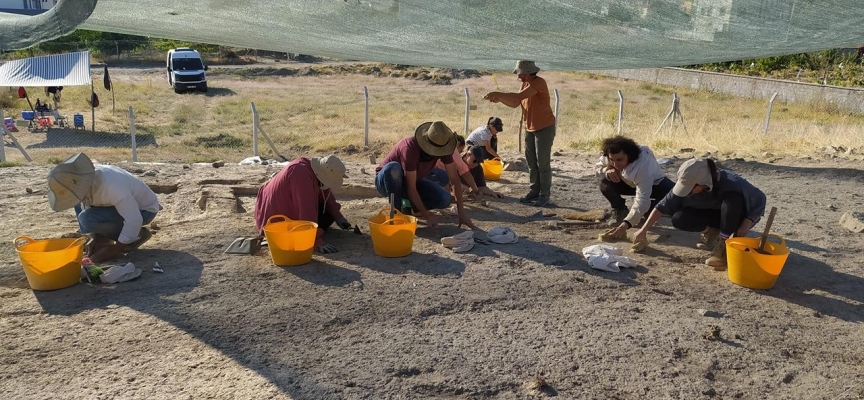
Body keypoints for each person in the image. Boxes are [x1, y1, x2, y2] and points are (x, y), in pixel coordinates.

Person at [633, 158, 767, 269]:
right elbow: (662, 206)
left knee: (732, 200)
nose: (687, 192)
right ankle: (711, 233)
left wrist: (747, 222)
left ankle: (723, 247)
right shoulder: (689, 179)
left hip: (736, 217)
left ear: (703, 183)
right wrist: (643, 230)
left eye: (691, 189)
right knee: (680, 218)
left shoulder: (732, 182)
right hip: (715, 216)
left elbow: (760, 199)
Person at [47, 153, 160, 263]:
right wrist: (94, 238)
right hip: (116, 207)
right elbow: (87, 205)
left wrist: (116, 249)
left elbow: (134, 219)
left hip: (144, 210)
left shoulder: (111, 186)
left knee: (87, 218)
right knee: (80, 209)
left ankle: (135, 236)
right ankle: (107, 238)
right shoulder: (83, 184)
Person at [375, 121, 477, 229]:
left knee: (445, 198)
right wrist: (427, 215)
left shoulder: (444, 147)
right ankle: (396, 214)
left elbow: (455, 179)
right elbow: (411, 188)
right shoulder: (409, 148)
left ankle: (411, 208)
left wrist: (462, 213)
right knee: (393, 168)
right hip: (386, 182)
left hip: (412, 182)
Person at [483, 60, 556, 207]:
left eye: (520, 73)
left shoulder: (538, 82)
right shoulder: (526, 84)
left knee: (542, 163)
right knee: (531, 162)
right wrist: (500, 99)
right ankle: (534, 191)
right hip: (530, 128)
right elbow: (516, 103)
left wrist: (497, 93)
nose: (518, 76)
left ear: (528, 72)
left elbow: (517, 98)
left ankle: (544, 194)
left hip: (544, 128)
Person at [255, 155, 352, 254]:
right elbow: (306, 209)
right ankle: (301, 234)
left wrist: (338, 217)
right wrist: (317, 241)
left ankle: (309, 231)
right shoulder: (301, 174)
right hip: (274, 216)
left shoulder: (316, 167)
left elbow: (325, 193)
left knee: (328, 214)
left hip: (286, 203)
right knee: (316, 216)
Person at [597, 136, 674, 240]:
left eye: (619, 160)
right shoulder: (610, 156)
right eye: (612, 160)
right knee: (605, 182)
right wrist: (606, 169)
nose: (615, 164)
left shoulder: (643, 165)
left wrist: (626, 224)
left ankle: (650, 212)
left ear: (630, 155)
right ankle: (620, 210)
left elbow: (642, 199)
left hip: (655, 184)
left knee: (674, 197)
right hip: (628, 183)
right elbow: (598, 166)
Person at [431, 135, 502, 199]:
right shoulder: (456, 161)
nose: (476, 164)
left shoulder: (478, 168)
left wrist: (492, 193)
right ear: (468, 155)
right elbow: (445, 178)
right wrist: (457, 186)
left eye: (479, 162)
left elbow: (482, 186)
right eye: (474, 161)